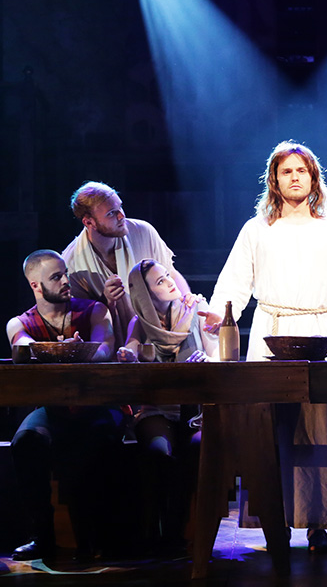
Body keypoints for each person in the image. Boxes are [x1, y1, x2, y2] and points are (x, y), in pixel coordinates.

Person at [199, 140, 327, 553]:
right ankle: (273, 521)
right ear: (274, 181)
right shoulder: (257, 229)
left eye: (302, 171)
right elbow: (235, 281)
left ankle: (319, 523)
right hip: (271, 332)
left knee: (320, 429)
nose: (295, 177)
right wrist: (217, 312)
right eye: (286, 172)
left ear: (313, 178)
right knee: (269, 430)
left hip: (317, 330)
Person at [6, 250, 125, 561]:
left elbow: (104, 348)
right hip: (54, 408)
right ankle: (42, 537)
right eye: (56, 277)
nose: (65, 281)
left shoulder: (95, 310)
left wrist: (81, 351)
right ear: (35, 285)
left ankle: (91, 540)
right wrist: (55, 350)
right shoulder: (21, 322)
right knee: (26, 440)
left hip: (98, 405)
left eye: (65, 274)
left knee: (88, 442)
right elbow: (21, 346)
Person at [116, 259, 218, 553]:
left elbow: (218, 353)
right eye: (160, 281)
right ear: (146, 293)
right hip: (157, 409)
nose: (171, 282)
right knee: (158, 452)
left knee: (195, 450)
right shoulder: (140, 323)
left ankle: (176, 534)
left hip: (194, 410)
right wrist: (128, 355)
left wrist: (207, 360)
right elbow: (130, 349)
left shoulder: (195, 309)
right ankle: (153, 533)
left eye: (168, 276)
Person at [62, 181, 192, 350]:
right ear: (89, 222)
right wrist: (106, 300)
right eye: (111, 213)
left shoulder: (143, 232)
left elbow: (171, 274)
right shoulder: (72, 263)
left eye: (120, 207)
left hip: (159, 337)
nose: (121, 216)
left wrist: (188, 303)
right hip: (112, 348)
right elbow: (84, 320)